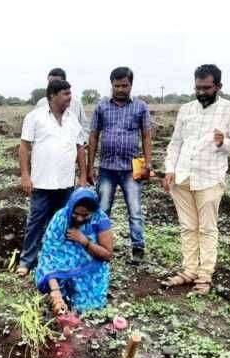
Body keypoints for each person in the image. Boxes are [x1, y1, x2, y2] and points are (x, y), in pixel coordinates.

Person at [162, 64, 230, 295]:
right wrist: (170, 169)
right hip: (183, 176)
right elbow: (176, 142)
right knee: (188, 227)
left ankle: (205, 274)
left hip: (210, 177)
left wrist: (223, 142)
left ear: (218, 86)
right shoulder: (186, 109)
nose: (200, 92)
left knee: (207, 228)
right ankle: (189, 270)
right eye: (197, 87)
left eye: (206, 88)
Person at [16, 79, 87, 276]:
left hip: (65, 183)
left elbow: (80, 148)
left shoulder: (72, 119)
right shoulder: (35, 117)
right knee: (36, 222)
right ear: (52, 96)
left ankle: (58, 259)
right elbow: (24, 147)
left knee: (64, 223)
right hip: (42, 182)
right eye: (65, 94)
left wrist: (82, 177)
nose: (69, 98)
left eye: (70, 94)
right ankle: (26, 261)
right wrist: (25, 175)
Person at [87, 66, 152, 263]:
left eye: (125, 85)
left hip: (132, 169)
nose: (121, 89)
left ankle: (138, 249)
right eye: (117, 86)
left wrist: (148, 162)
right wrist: (90, 167)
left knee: (135, 210)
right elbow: (94, 136)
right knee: (103, 209)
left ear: (131, 84)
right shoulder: (101, 107)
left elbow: (146, 135)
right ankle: (99, 247)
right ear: (111, 85)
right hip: (107, 168)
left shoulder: (140, 107)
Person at [34, 188, 114, 313]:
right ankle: (58, 293)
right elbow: (49, 255)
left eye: (85, 215)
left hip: (89, 267)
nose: (80, 219)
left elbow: (108, 255)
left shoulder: (100, 219)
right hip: (60, 269)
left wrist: (85, 242)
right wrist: (55, 291)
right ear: (70, 207)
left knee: (88, 304)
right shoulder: (60, 219)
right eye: (76, 214)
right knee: (55, 288)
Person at [35, 67, 89, 144]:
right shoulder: (41, 104)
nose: (52, 85)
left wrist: (81, 143)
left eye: (56, 82)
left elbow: (84, 127)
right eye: (50, 83)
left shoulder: (76, 104)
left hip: (71, 150)